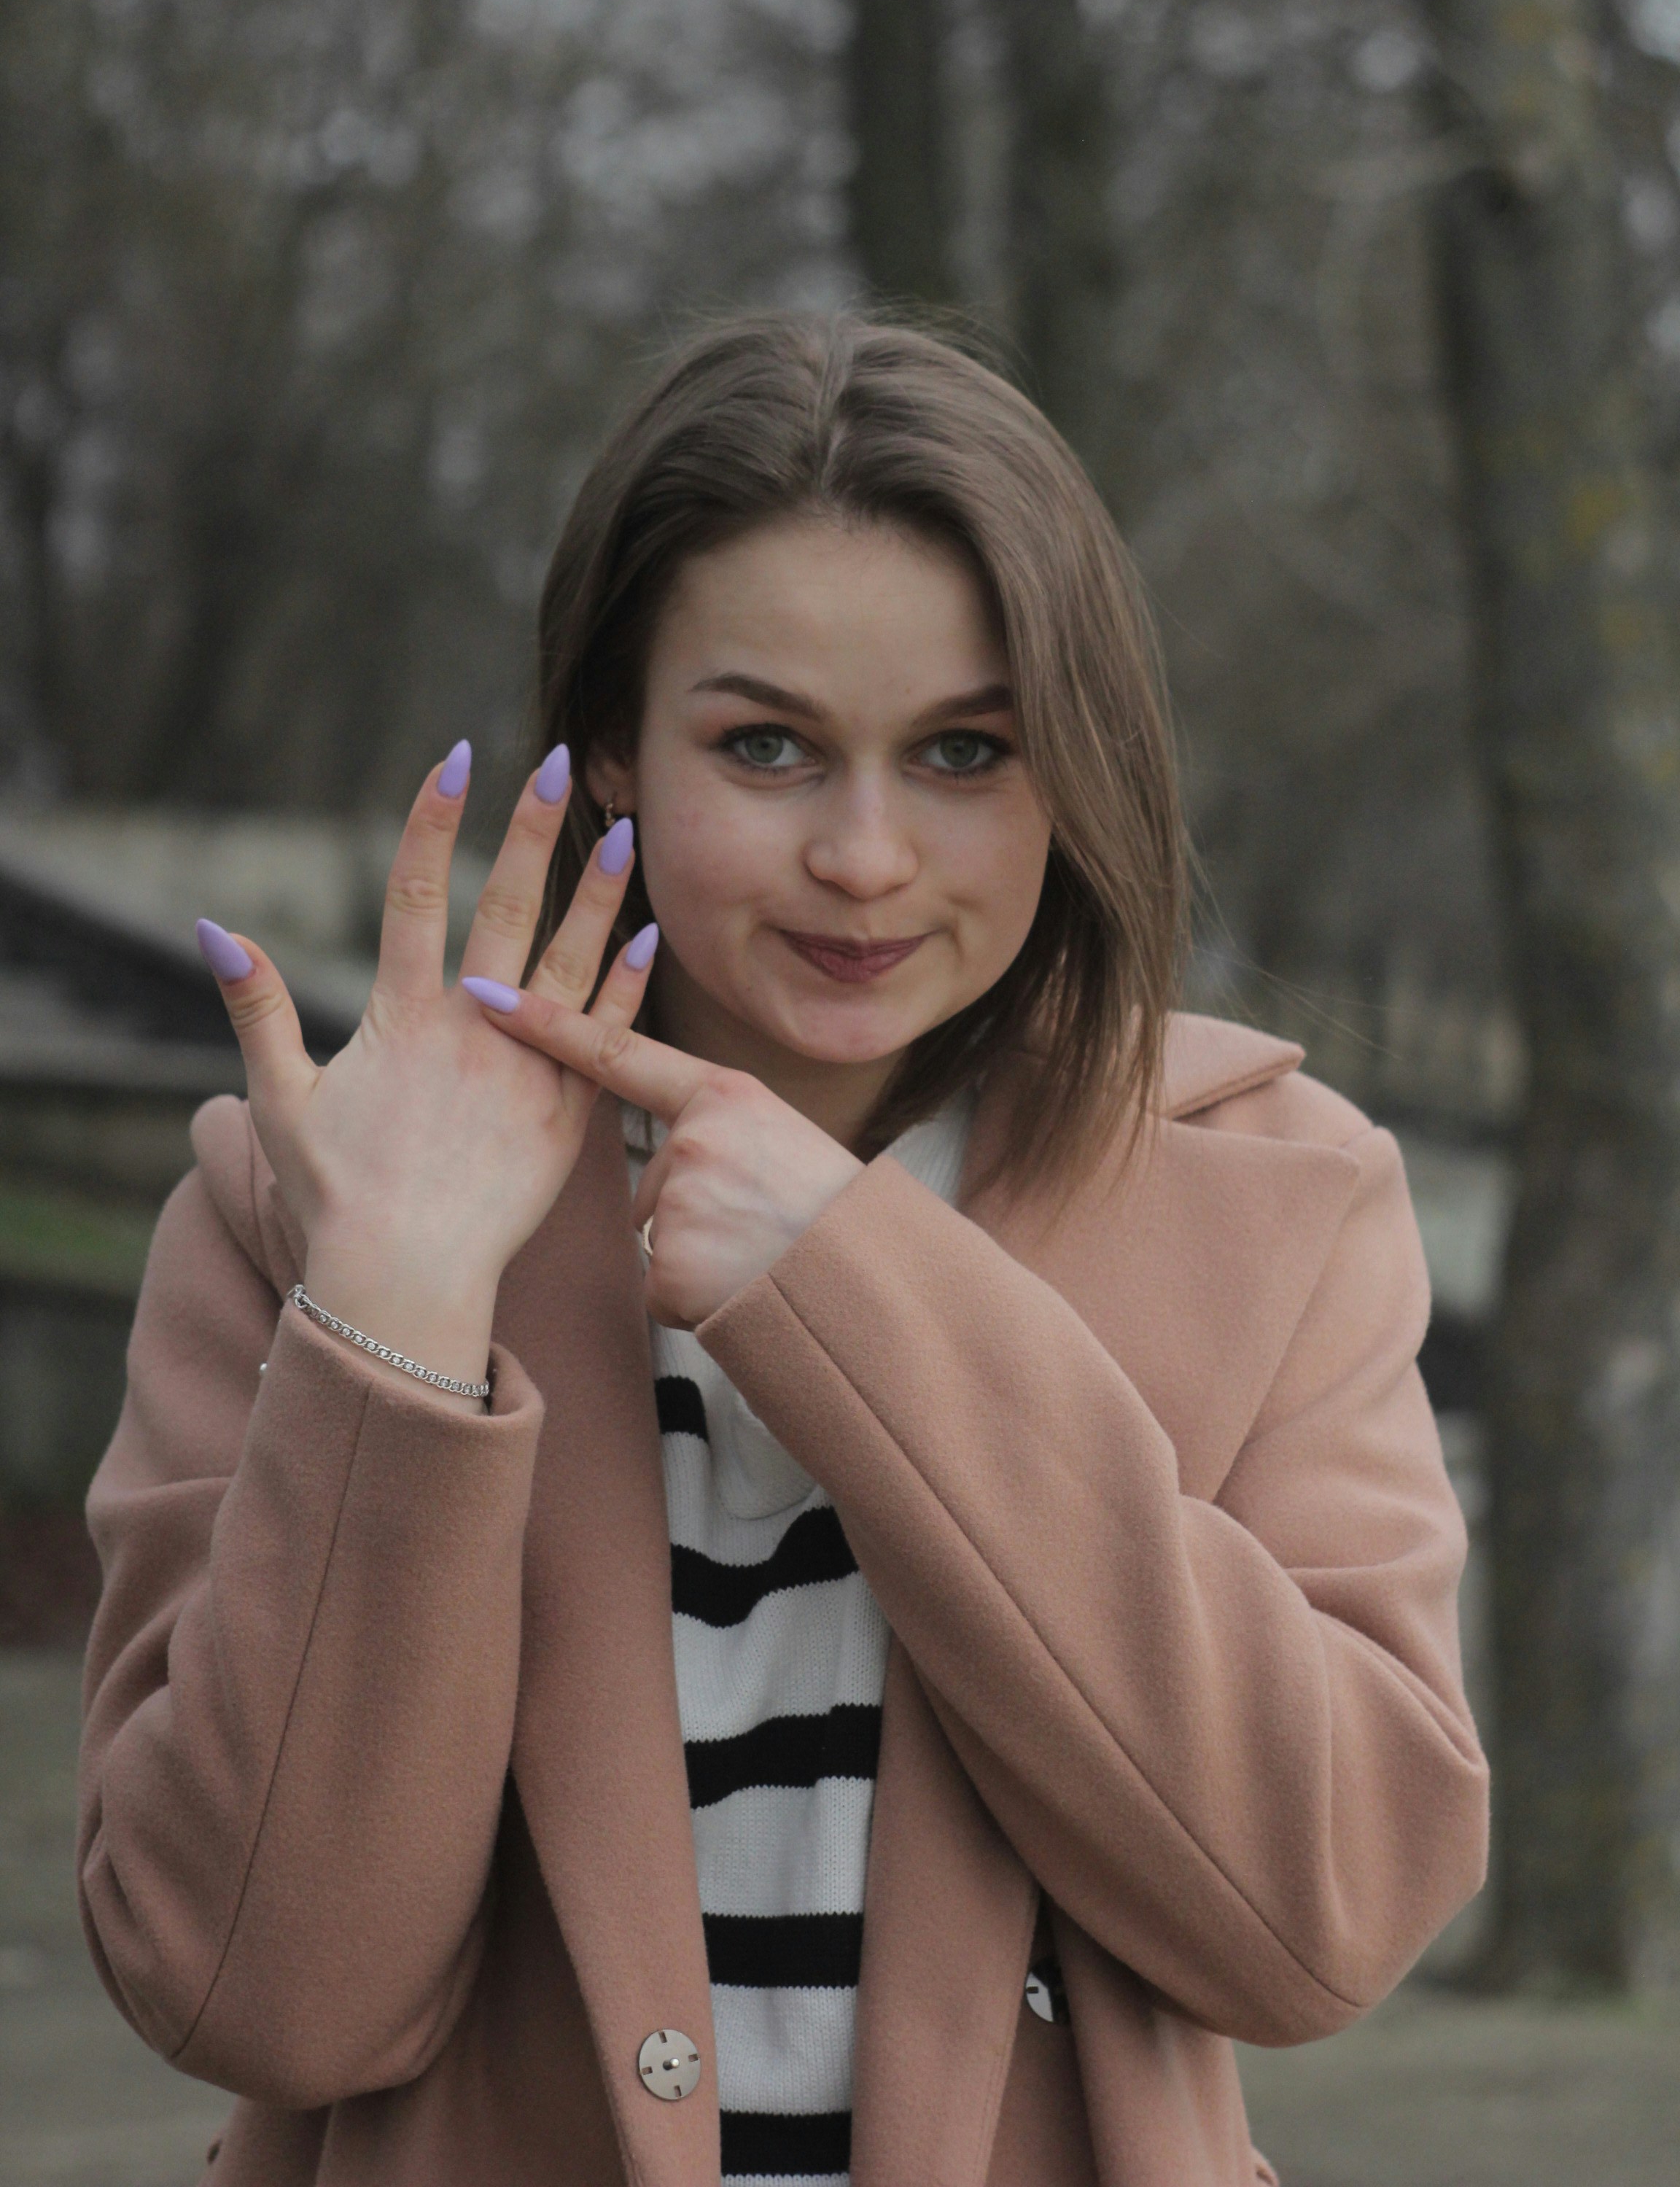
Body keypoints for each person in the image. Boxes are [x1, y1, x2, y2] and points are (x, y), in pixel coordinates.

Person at [77, 316, 1488, 2187]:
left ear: (1076, 774)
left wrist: (854, 1290)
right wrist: (397, 1321)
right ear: (614, 761)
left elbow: (1323, 1917)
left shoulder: (1278, 1201)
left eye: (968, 751)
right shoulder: (305, 1203)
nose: (868, 855)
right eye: (767, 745)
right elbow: (257, 1995)